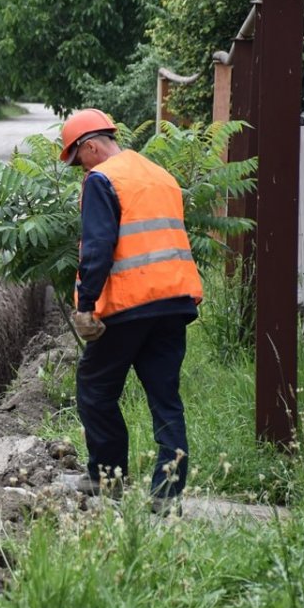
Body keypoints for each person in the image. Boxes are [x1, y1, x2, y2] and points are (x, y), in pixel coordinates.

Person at [59, 108, 203, 517]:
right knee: (165, 398)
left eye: (76, 159)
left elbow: (99, 247)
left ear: (90, 147)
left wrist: (86, 306)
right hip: (175, 303)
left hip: (128, 306)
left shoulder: (103, 179)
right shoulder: (159, 175)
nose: (77, 169)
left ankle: (109, 477)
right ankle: (166, 494)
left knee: (95, 388)